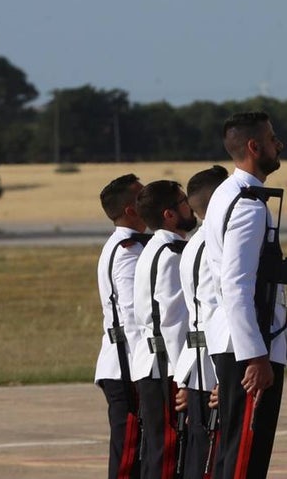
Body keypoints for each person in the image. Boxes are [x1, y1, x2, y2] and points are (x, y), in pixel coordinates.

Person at [204, 112, 287, 479]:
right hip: (248, 347)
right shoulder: (247, 206)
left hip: (237, 342)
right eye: (272, 138)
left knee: (236, 453)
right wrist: (256, 355)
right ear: (254, 147)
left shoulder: (229, 193)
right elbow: (235, 284)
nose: (278, 144)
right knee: (244, 459)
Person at [132, 180, 197, 479]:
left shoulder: (157, 248)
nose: (190, 206)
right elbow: (172, 322)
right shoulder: (171, 255)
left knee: (158, 455)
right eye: (184, 201)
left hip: (154, 365)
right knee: (168, 457)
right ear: (169, 214)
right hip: (165, 368)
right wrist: (184, 378)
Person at [173, 165, 228, 479]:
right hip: (211, 367)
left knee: (197, 457)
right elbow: (215, 312)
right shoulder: (215, 245)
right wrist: (224, 374)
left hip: (194, 365)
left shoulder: (194, 243)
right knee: (211, 461)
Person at [95, 174, 148, 479]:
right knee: (129, 454)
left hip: (127, 365)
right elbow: (133, 316)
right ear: (130, 209)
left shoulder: (133, 245)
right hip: (126, 367)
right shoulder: (127, 250)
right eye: (142, 198)